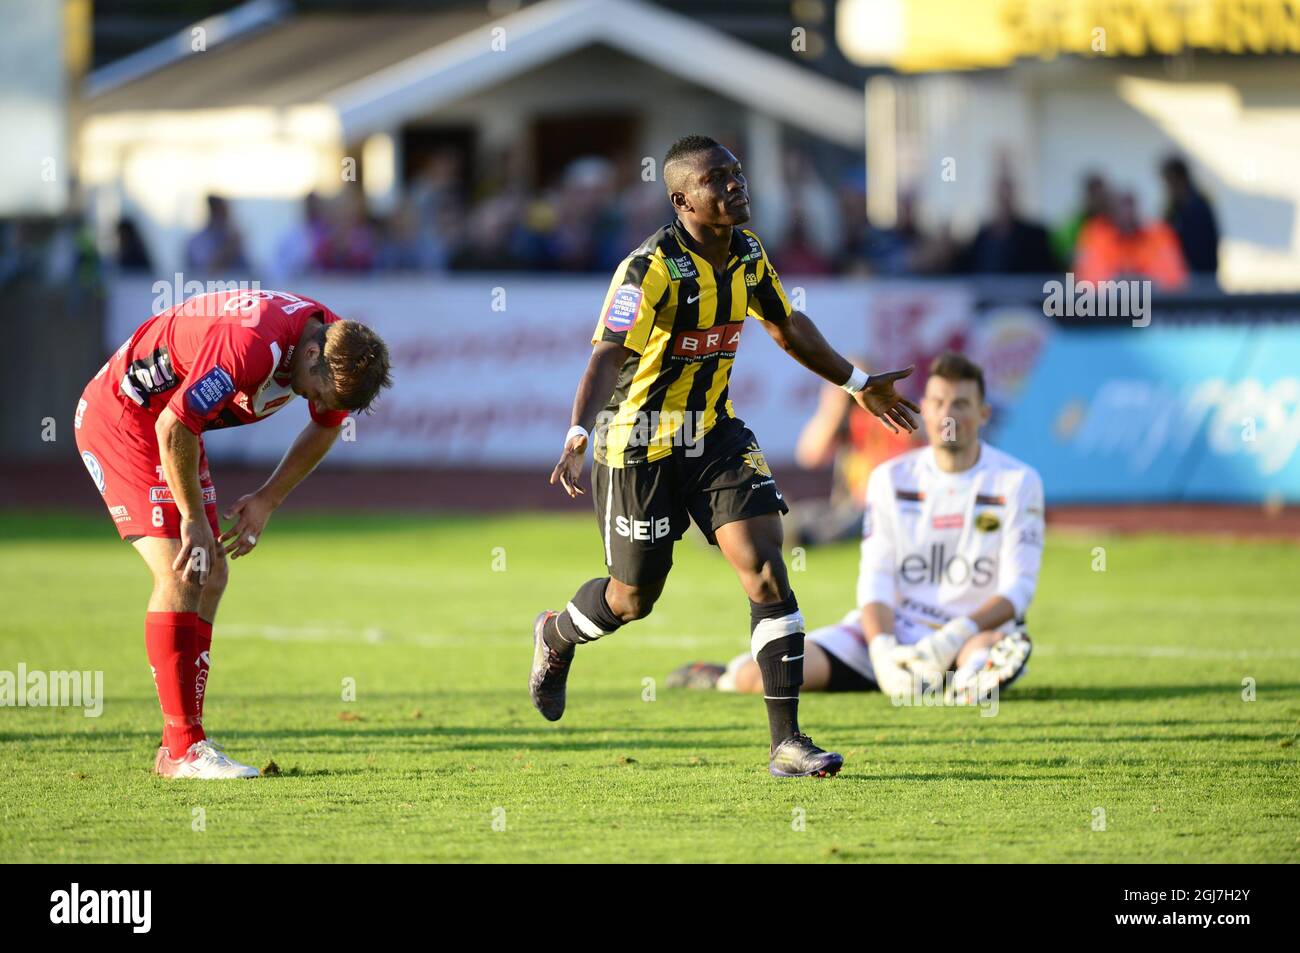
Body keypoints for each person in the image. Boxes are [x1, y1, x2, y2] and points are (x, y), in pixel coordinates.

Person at [529, 134, 920, 778]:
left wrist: (856, 385)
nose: (737, 186)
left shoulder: (748, 252)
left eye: (737, 174)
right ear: (682, 198)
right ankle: (555, 635)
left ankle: (787, 744)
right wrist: (578, 434)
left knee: (766, 569)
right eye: (719, 179)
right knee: (632, 598)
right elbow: (606, 356)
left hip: (713, 435)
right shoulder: (648, 268)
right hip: (640, 447)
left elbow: (786, 326)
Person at [74, 289, 392, 778]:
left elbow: (326, 426)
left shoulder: (331, 341)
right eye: (318, 391)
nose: (316, 403)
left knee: (211, 575)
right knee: (184, 570)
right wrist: (194, 520)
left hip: (173, 422)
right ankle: (182, 750)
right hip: (125, 417)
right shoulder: (251, 343)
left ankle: (180, 743)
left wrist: (267, 499)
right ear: (310, 354)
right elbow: (173, 425)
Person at [670, 353, 1043, 706]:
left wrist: (954, 636)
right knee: (755, 676)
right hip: (893, 632)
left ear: (983, 413)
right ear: (923, 407)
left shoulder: (1016, 481)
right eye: (938, 402)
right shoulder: (891, 478)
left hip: (969, 636)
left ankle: (970, 677)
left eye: (961, 404)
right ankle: (719, 677)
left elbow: (1019, 588)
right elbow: (876, 578)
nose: (948, 414)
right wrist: (881, 650)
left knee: (984, 657)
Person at [1075, 190, 1188, 289]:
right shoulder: (1095, 234)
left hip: (1155, 307)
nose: (1127, 212)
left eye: (1130, 205)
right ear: (1110, 211)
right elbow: (1088, 280)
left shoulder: (1160, 234)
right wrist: (1120, 283)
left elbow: (1175, 279)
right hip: (1107, 309)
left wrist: (1140, 281)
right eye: (1121, 206)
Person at [1160, 156, 1220, 279]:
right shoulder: (1174, 210)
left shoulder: (1199, 208)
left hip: (1200, 277)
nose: (1168, 187)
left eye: (1170, 181)